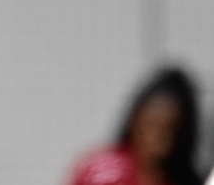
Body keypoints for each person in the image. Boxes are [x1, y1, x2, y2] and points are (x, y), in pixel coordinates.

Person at [66, 66, 202, 185]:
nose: (158, 137)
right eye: (151, 125)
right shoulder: (101, 173)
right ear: (134, 121)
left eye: (169, 129)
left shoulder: (182, 180)